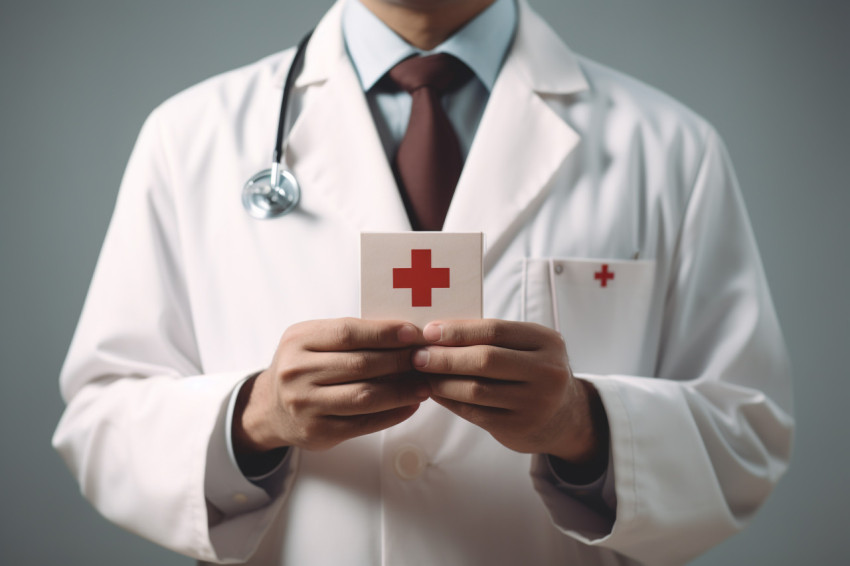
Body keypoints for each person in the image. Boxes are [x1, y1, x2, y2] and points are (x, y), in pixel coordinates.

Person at [53, 0, 794, 564]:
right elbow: (99, 420)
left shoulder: (668, 147)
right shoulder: (190, 136)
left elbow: (747, 434)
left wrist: (583, 426)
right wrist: (256, 419)